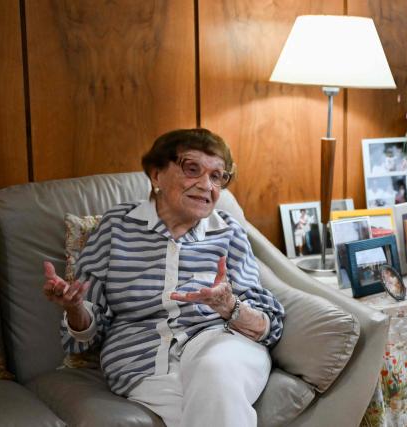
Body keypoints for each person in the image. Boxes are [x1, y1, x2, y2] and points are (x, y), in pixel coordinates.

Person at [42, 128, 285, 427]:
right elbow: (84, 337)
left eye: (217, 176)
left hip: (221, 344)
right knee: (212, 410)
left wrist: (228, 305)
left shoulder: (228, 232)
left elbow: (267, 325)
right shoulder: (117, 227)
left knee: (215, 370)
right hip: (142, 364)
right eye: (192, 169)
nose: (205, 185)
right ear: (156, 175)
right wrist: (75, 307)